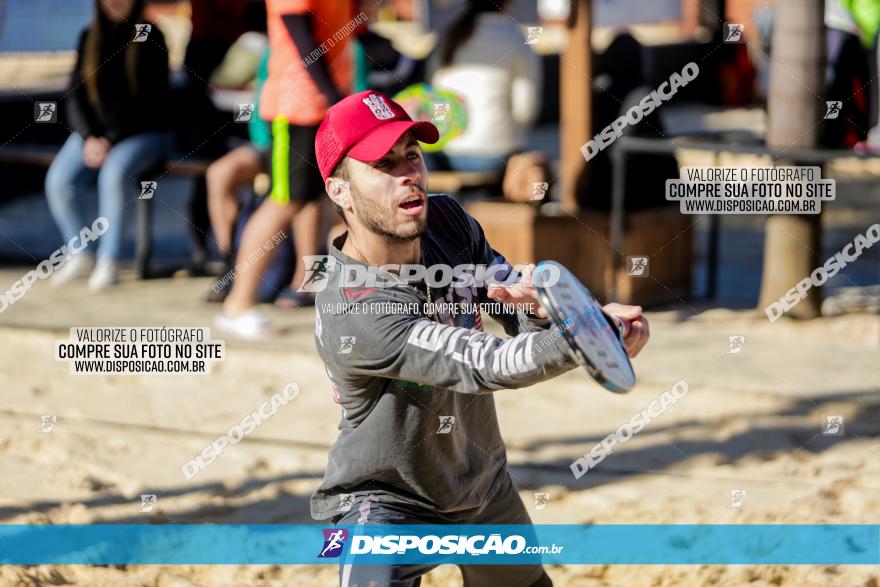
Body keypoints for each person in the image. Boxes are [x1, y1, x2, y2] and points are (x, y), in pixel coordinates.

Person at [310, 91, 650, 586]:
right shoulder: (354, 306)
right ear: (339, 191)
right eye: (383, 163)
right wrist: (583, 338)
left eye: (412, 155)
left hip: (480, 483)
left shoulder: (445, 220)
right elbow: (486, 363)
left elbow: (515, 312)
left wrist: (569, 315)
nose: (408, 174)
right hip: (386, 501)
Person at [216, 0, 356, 337]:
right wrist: (333, 96)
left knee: (316, 201)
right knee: (282, 201)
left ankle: (320, 290)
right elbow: (299, 32)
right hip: (297, 108)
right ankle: (238, 303)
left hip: (319, 105)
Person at [45, 0, 169, 291]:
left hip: (143, 132)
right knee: (59, 180)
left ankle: (109, 259)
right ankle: (80, 251)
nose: (115, 2)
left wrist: (109, 140)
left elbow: (151, 102)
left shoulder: (151, 36)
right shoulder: (89, 36)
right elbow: (75, 95)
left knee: (113, 174)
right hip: (96, 134)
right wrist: (90, 136)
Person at [426, 0, 541, 174]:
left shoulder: (448, 35)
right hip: (496, 155)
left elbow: (433, 95)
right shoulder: (515, 37)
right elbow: (525, 110)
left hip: (444, 153)